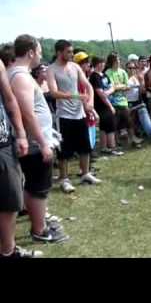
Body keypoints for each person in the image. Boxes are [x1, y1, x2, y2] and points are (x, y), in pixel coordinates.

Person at [7, 34, 68, 243]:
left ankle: (39, 222)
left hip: (34, 141)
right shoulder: (21, 77)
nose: (41, 55)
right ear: (31, 52)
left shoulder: (18, 74)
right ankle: (39, 231)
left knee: (34, 185)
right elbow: (27, 112)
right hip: (34, 144)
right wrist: (43, 143)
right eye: (40, 51)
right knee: (38, 187)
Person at [47, 40, 101, 193]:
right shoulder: (51, 70)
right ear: (59, 52)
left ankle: (85, 173)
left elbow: (88, 85)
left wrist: (89, 101)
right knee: (64, 150)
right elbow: (53, 92)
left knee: (85, 146)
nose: (72, 54)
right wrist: (76, 97)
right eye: (69, 52)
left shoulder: (75, 66)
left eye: (72, 51)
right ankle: (64, 179)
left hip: (79, 114)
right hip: (64, 115)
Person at [0, 58, 36, 258]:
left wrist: (21, 133)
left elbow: (9, 98)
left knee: (12, 199)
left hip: (4, 143)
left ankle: (7, 250)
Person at [104, 53, 143, 148]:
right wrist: (118, 87)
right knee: (115, 123)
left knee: (128, 121)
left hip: (123, 101)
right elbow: (111, 87)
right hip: (112, 101)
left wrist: (118, 87)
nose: (119, 61)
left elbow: (127, 86)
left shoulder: (123, 72)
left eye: (119, 59)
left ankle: (133, 138)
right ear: (112, 61)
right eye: (117, 59)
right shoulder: (108, 73)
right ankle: (116, 141)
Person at [89, 56, 124, 156]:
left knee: (104, 126)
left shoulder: (103, 75)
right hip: (102, 104)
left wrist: (111, 90)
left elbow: (111, 86)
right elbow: (101, 94)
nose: (102, 65)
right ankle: (112, 147)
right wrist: (110, 106)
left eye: (103, 63)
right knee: (110, 125)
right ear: (96, 64)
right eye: (100, 63)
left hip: (109, 101)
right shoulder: (94, 76)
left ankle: (104, 147)